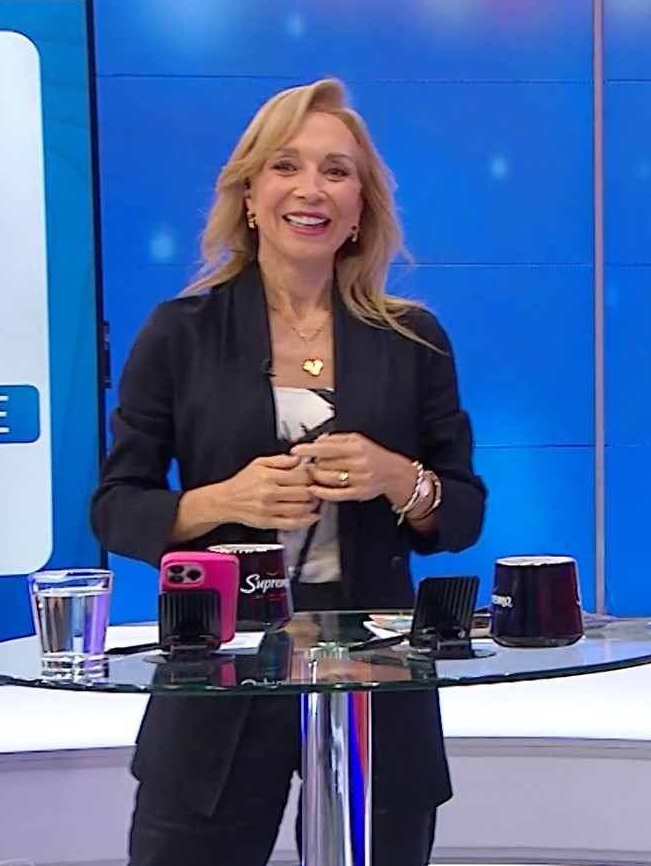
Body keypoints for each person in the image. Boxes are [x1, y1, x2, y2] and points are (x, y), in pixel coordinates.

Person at [91, 76, 487, 866]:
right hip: (219, 683)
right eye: (286, 166)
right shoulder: (180, 333)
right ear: (248, 195)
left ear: (360, 208)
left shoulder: (414, 340)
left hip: (377, 684)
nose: (311, 189)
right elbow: (116, 506)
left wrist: (396, 477)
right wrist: (221, 501)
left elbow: (462, 512)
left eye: (337, 172)